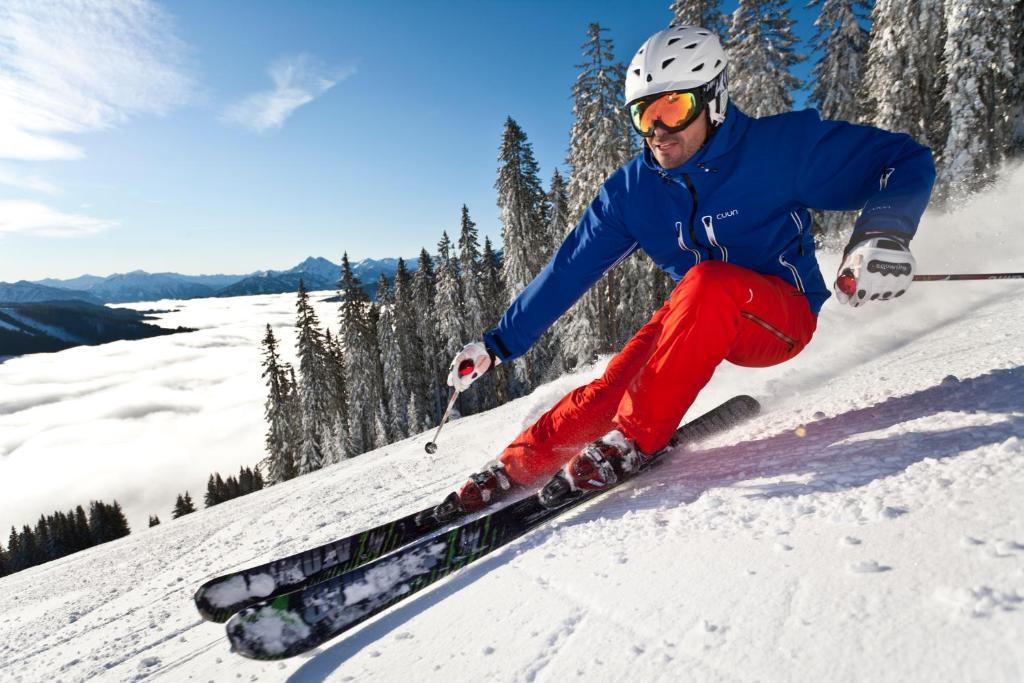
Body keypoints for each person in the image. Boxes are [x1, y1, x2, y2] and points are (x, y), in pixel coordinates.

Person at [441, 25, 935, 513]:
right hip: (694, 316)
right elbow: (570, 267)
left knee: (706, 285)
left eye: (673, 108)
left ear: (713, 98)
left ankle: (635, 438)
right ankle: (515, 467)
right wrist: (496, 343)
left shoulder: (780, 150)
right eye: (644, 114)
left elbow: (902, 161)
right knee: (614, 385)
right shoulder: (633, 191)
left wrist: (881, 235)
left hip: (780, 318)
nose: (658, 130)